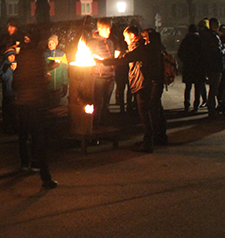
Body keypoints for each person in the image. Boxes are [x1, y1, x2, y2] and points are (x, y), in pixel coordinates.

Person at [99, 25, 165, 153]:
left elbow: (124, 59)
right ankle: (155, 138)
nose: (125, 40)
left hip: (142, 84)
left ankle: (148, 143)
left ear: (132, 36)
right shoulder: (146, 48)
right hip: (145, 83)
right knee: (150, 112)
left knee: (145, 114)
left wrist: (104, 61)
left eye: (126, 37)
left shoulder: (140, 48)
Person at [13, 25, 58, 188]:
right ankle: (43, 173)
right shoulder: (36, 55)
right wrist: (45, 79)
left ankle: (25, 163)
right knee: (39, 137)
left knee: (24, 134)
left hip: (22, 101)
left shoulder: (22, 55)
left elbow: (16, 80)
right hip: (34, 101)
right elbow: (38, 78)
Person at [87, 18, 116, 126]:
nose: (109, 31)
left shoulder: (110, 42)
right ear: (100, 29)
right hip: (98, 77)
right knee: (97, 104)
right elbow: (89, 57)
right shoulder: (93, 43)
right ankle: (95, 127)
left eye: (109, 29)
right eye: (107, 29)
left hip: (110, 76)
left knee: (106, 105)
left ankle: (103, 126)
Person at [177, 24, 206, 113]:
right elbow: (204, 54)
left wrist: (185, 61)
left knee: (188, 87)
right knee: (197, 87)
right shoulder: (200, 40)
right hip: (198, 67)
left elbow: (180, 53)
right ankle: (196, 105)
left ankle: (187, 104)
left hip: (188, 67)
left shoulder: (185, 41)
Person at [201, 18, 225, 116]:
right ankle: (211, 109)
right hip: (216, 65)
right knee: (214, 88)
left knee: (213, 87)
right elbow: (217, 52)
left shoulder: (204, 36)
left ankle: (211, 107)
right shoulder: (214, 37)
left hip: (208, 64)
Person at [44, 34, 69, 108]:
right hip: (48, 85)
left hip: (58, 85)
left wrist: (65, 84)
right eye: (49, 43)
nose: (50, 44)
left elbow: (65, 70)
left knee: (56, 105)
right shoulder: (45, 55)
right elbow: (42, 69)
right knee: (48, 106)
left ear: (56, 44)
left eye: (52, 43)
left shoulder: (62, 55)